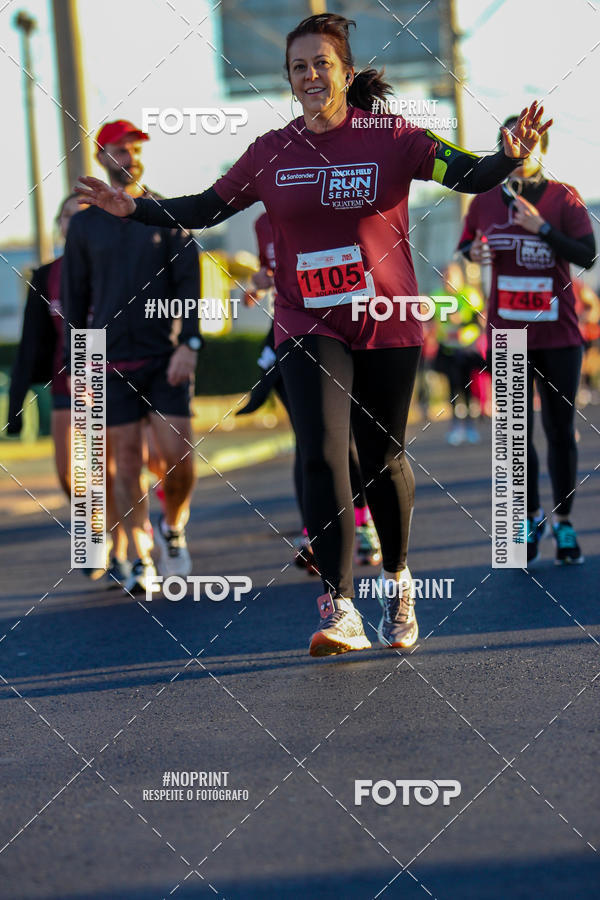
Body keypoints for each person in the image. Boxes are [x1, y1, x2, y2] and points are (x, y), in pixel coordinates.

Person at [75, 14, 550, 654]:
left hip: (386, 318)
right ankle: (342, 605)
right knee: (322, 452)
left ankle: (400, 580)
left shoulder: (394, 137)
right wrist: (134, 208)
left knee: (380, 457)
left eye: (320, 63)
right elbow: (206, 207)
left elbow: (468, 172)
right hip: (307, 319)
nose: (309, 75)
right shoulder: (272, 152)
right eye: (298, 66)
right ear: (289, 80)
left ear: (345, 74)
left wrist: (509, 155)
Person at [63, 120, 201, 593]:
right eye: (121, 150)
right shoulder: (83, 225)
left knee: (177, 456)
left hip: (166, 359)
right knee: (123, 462)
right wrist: (78, 364)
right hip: (109, 362)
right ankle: (141, 553)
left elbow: (190, 286)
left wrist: (190, 344)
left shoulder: (165, 213)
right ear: (102, 157)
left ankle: (173, 526)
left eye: (136, 149)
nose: (130, 157)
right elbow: (75, 299)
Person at [459, 116, 595, 565]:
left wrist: (543, 230)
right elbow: (466, 248)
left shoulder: (564, 197)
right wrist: (471, 253)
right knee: (516, 437)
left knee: (559, 431)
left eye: (526, 142)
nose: (518, 150)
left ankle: (565, 523)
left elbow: (588, 255)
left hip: (558, 335)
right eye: (507, 141)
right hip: (509, 335)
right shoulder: (483, 201)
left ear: (542, 148)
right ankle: (529, 517)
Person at [238, 211, 381, 570]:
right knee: (310, 440)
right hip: (292, 333)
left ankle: (363, 521)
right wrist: (258, 282)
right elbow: (270, 270)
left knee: (345, 439)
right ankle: (313, 533)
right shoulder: (260, 224)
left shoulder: (325, 202)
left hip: (341, 331)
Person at [7, 194, 131, 584]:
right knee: (70, 472)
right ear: (60, 226)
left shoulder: (118, 267)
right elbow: (32, 339)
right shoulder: (47, 275)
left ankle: (116, 542)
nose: (72, 223)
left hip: (114, 377)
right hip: (68, 379)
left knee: (110, 469)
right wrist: (17, 399)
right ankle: (97, 527)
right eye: (65, 217)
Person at [433, 261, 485, 445]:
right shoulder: (437, 297)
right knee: (452, 389)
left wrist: (462, 321)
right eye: (445, 276)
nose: (447, 280)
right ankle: (456, 426)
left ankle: (470, 426)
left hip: (467, 349)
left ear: (460, 277)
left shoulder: (469, 295)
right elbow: (432, 320)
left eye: (451, 276)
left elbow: (480, 320)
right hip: (448, 349)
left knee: (467, 388)